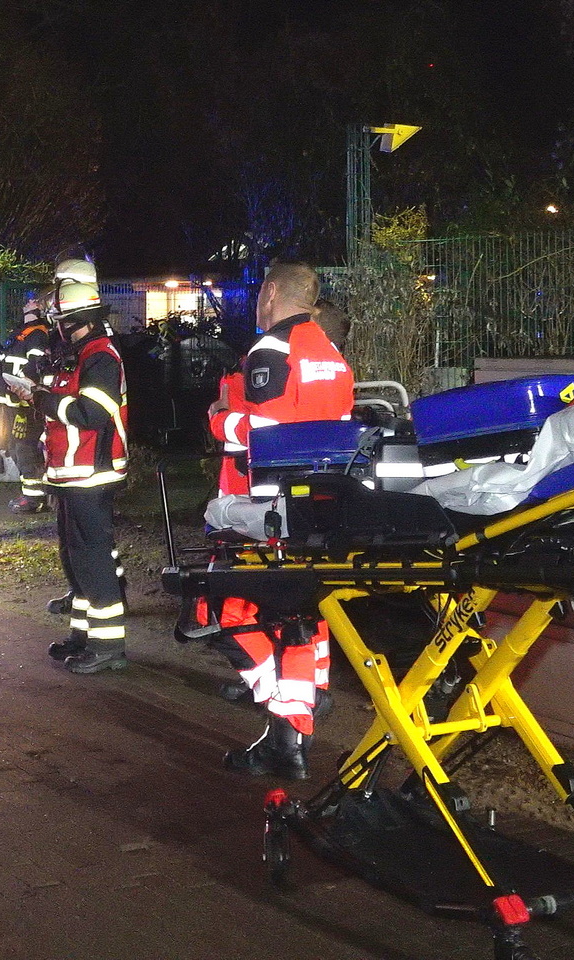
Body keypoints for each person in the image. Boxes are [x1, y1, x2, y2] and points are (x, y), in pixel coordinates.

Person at [202, 261, 353, 780]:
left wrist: (219, 418)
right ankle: (297, 720)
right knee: (302, 617)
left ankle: (287, 726)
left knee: (234, 613)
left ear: (270, 293)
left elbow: (263, 436)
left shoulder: (272, 349)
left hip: (271, 508)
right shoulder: (330, 353)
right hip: (321, 504)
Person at [37, 274, 132, 675]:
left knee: (93, 560)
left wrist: (44, 400)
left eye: (65, 322)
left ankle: (108, 646)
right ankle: (82, 636)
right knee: (75, 559)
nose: (61, 330)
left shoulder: (101, 356)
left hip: (92, 474)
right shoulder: (79, 355)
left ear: (85, 320)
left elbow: (90, 414)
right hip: (71, 475)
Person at [0, 288, 57, 514]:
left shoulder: (37, 334)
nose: (27, 302)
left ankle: (34, 498)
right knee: (15, 446)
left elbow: (34, 368)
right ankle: (34, 494)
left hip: (23, 405)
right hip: (12, 401)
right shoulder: (25, 331)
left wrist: (25, 396)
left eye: (32, 300)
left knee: (24, 447)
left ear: (40, 308)